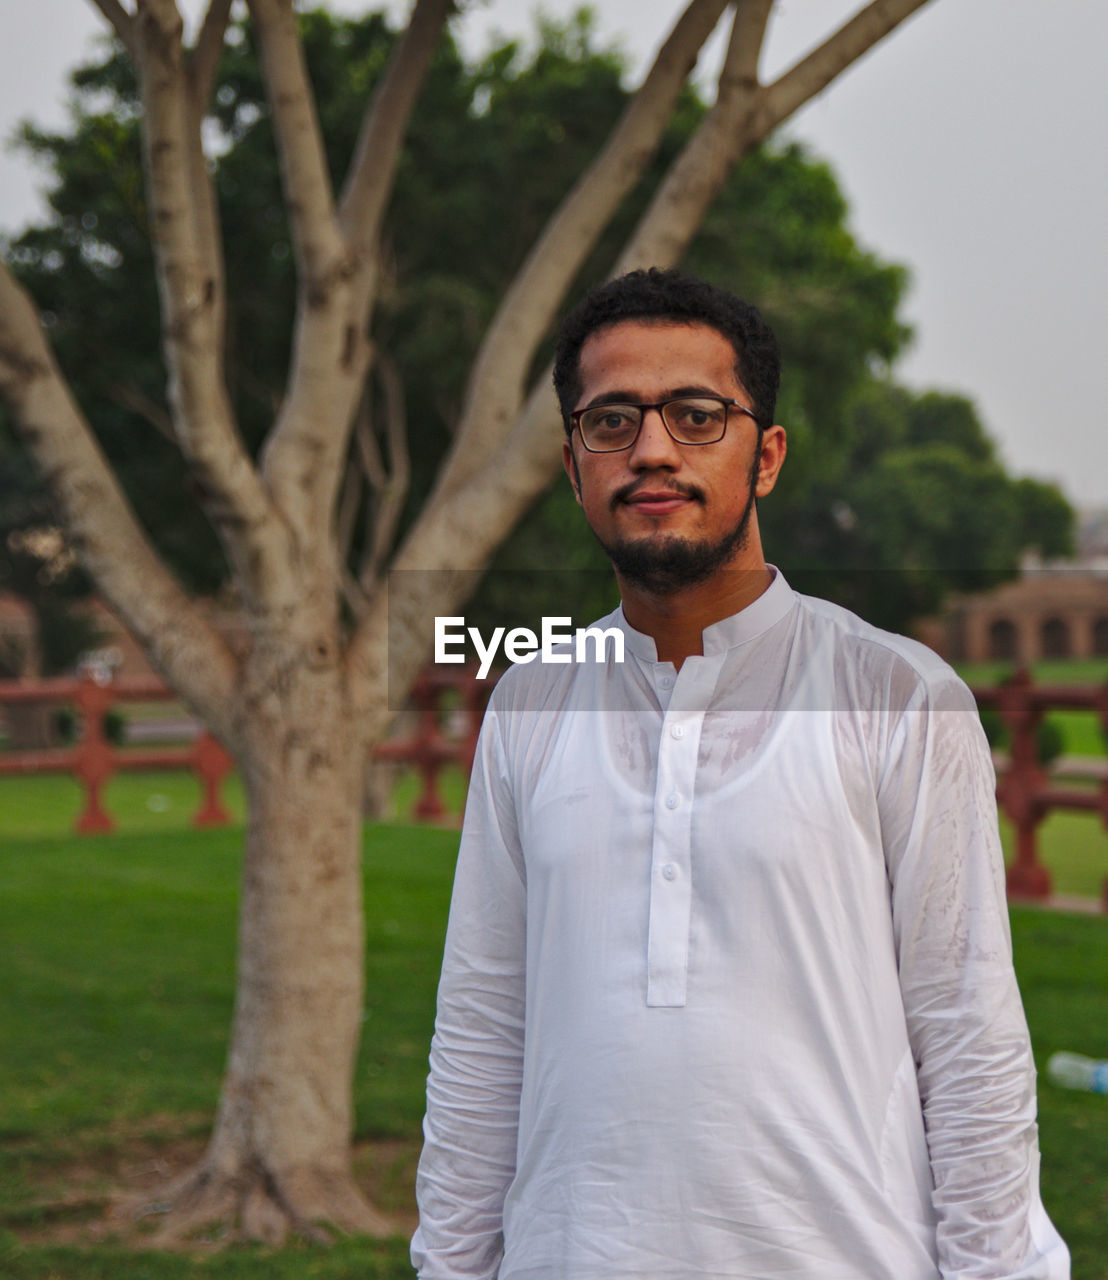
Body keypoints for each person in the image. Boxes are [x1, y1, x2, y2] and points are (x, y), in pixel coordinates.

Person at [411, 268, 1069, 1279]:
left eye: (695, 414)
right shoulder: (531, 705)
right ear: (573, 461)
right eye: (612, 421)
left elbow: (968, 1035)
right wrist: (450, 1265)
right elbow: (482, 1026)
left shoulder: (894, 694)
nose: (653, 450)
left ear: (765, 456)